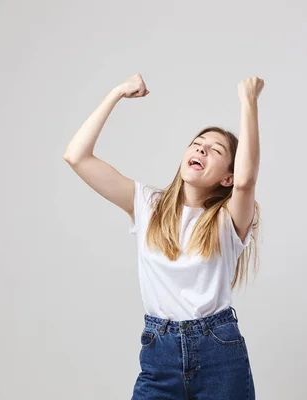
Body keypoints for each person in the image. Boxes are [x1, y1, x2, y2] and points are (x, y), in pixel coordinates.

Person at [63, 73, 263, 399]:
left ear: (227, 177)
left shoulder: (229, 221)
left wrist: (249, 102)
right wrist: (115, 93)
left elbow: (246, 182)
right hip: (160, 353)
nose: (201, 149)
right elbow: (76, 156)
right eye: (197, 144)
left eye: (215, 150)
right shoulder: (146, 204)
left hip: (219, 353)